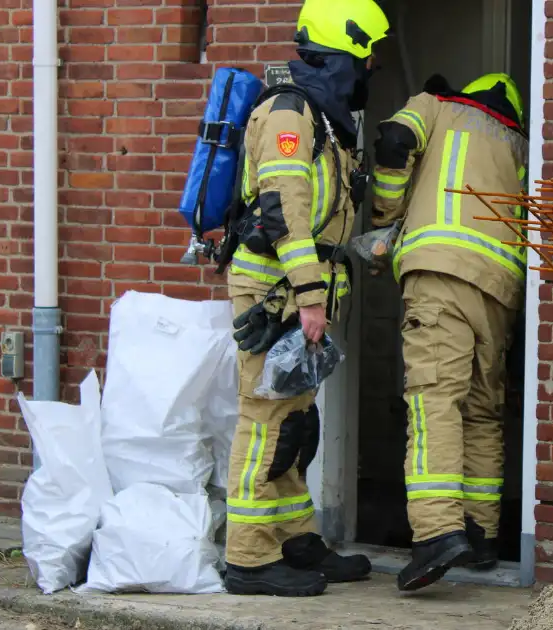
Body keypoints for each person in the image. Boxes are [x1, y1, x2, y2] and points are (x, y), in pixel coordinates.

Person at [222, 0, 389, 598]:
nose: (369, 68)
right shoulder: (290, 113)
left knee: (296, 423)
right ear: (341, 51)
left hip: (297, 293)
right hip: (275, 293)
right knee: (265, 424)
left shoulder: (325, 118)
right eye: (365, 56)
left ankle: (293, 540)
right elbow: (283, 214)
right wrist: (311, 295)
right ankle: (246, 558)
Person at [368, 72, 529, 592]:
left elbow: (394, 140)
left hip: (440, 276)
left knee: (433, 401)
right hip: (500, 290)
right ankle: (481, 535)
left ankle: (437, 533)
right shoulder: (520, 143)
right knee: (481, 410)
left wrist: (383, 216)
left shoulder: (436, 106)